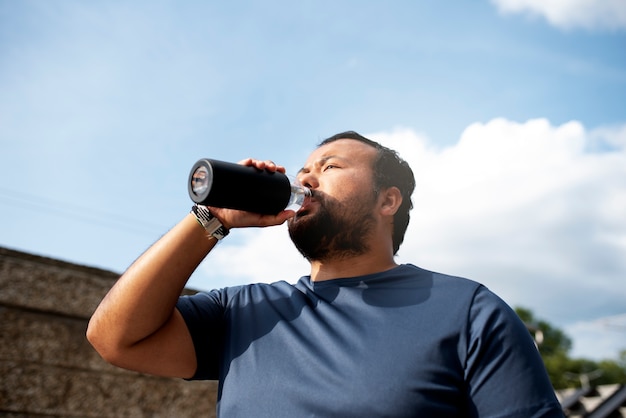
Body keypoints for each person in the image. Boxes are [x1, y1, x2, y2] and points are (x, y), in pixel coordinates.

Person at [87, 131, 564, 417]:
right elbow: (116, 339)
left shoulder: (468, 312)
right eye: (303, 170)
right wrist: (211, 219)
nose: (305, 179)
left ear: (387, 200)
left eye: (330, 166)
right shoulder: (244, 313)